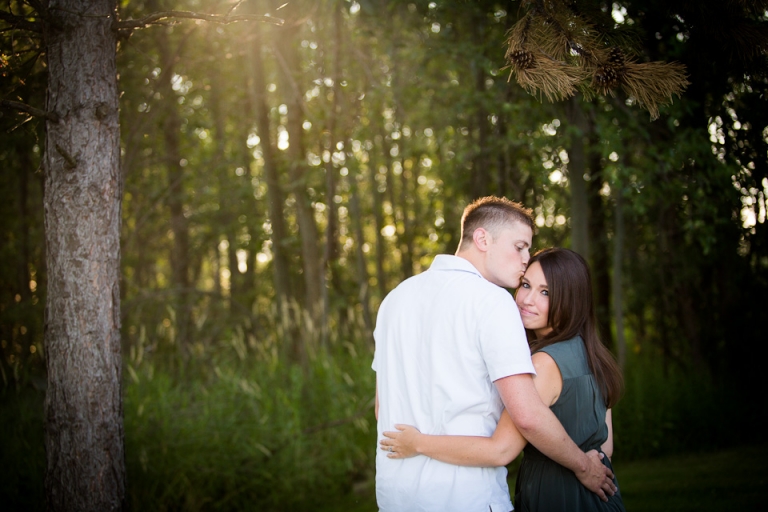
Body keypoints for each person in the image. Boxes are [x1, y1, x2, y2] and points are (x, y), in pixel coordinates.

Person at [372, 197, 615, 512]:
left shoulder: (395, 299)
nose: (525, 259)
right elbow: (527, 416)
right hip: (465, 497)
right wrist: (583, 465)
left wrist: (417, 442)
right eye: (519, 246)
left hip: (396, 496)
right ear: (482, 238)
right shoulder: (492, 302)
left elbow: (383, 408)